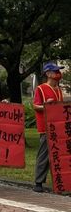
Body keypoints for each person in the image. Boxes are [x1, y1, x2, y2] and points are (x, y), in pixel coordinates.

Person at [33, 62, 64, 193]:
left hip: (58, 127)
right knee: (44, 154)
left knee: (60, 155)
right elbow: (35, 106)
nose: (58, 74)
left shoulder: (59, 90)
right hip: (46, 127)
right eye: (55, 71)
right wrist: (46, 106)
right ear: (48, 74)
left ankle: (60, 182)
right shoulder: (41, 89)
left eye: (58, 71)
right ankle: (38, 182)